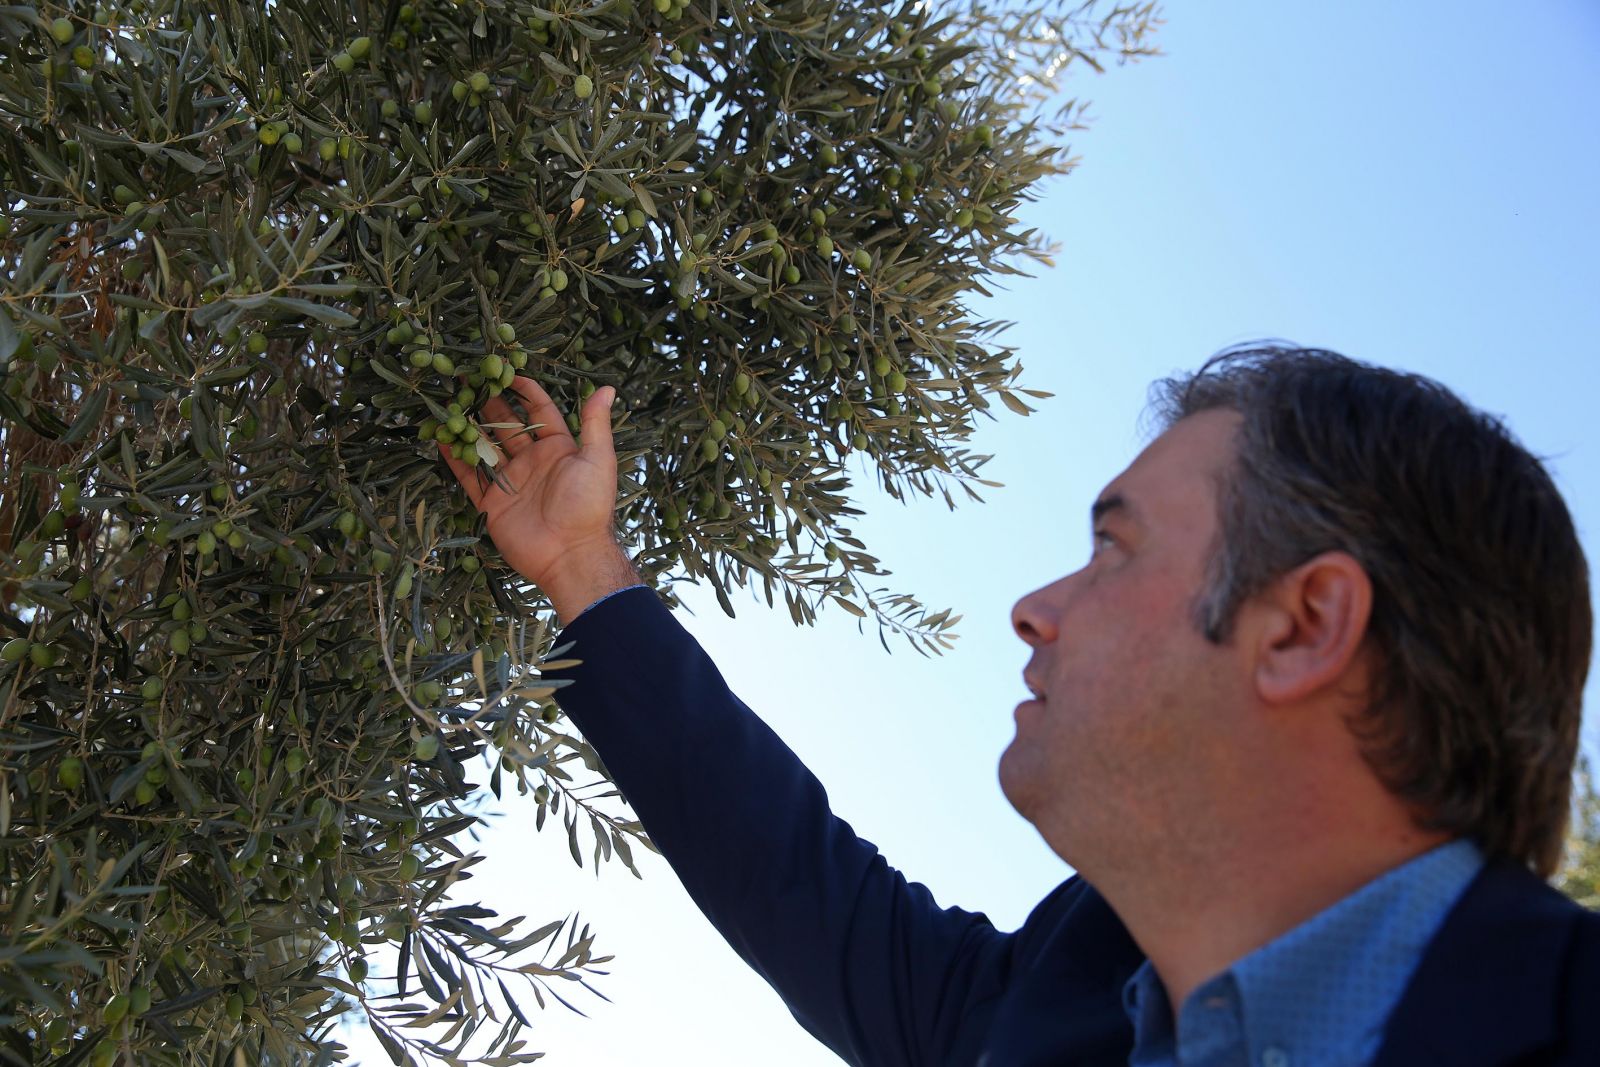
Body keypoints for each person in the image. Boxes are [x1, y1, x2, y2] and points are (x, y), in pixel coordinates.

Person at [438, 343, 1599, 1066]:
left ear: (1300, 627)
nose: (1036, 606)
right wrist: (582, 565)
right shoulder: (1059, 1003)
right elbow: (789, 875)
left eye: (1112, 547)